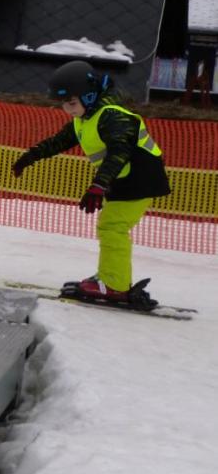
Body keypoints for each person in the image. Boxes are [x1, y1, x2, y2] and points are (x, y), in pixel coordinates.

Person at [11, 60, 170, 302]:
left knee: (112, 227)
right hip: (125, 179)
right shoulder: (85, 118)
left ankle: (114, 284)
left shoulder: (113, 116)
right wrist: (30, 157)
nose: (68, 109)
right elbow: (59, 141)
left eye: (72, 103)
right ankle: (110, 277)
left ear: (90, 95)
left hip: (140, 179)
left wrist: (99, 184)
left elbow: (120, 152)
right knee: (110, 227)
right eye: (64, 104)